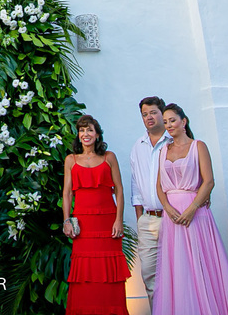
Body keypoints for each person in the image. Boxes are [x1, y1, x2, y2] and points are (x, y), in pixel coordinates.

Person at [151, 104, 228, 315]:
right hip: (172, 217)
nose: (169, 125)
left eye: (172, 120)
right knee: (178, 266)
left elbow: (209, 181)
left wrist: (193, 208)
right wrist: (167, 208)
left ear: (183, 121)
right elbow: (159, 185)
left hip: (195, 214)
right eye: (165, 122)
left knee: (201, 263)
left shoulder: (198, 146)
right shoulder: (163, 150)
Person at [61, 115, 129, 315]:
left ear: (97, 134)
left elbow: (119, 190)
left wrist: (119, 220)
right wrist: (66, 221)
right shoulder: (71, 160)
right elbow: (66, 193)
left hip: (107, 222)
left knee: (110, 274)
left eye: (90, 130)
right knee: (84, 274)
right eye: (82, 130)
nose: (86, 134)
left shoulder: (109, 157)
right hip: (83, 224)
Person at [127, 95, 170, 302]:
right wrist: (140, 218)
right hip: (148, 219)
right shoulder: (138, 145)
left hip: (173, 218)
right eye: (145, 114)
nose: (149, 117)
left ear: (163, 113)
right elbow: (136, 183)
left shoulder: (173, 141)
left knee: (176, 273)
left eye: (153, 112)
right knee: (150, 276)